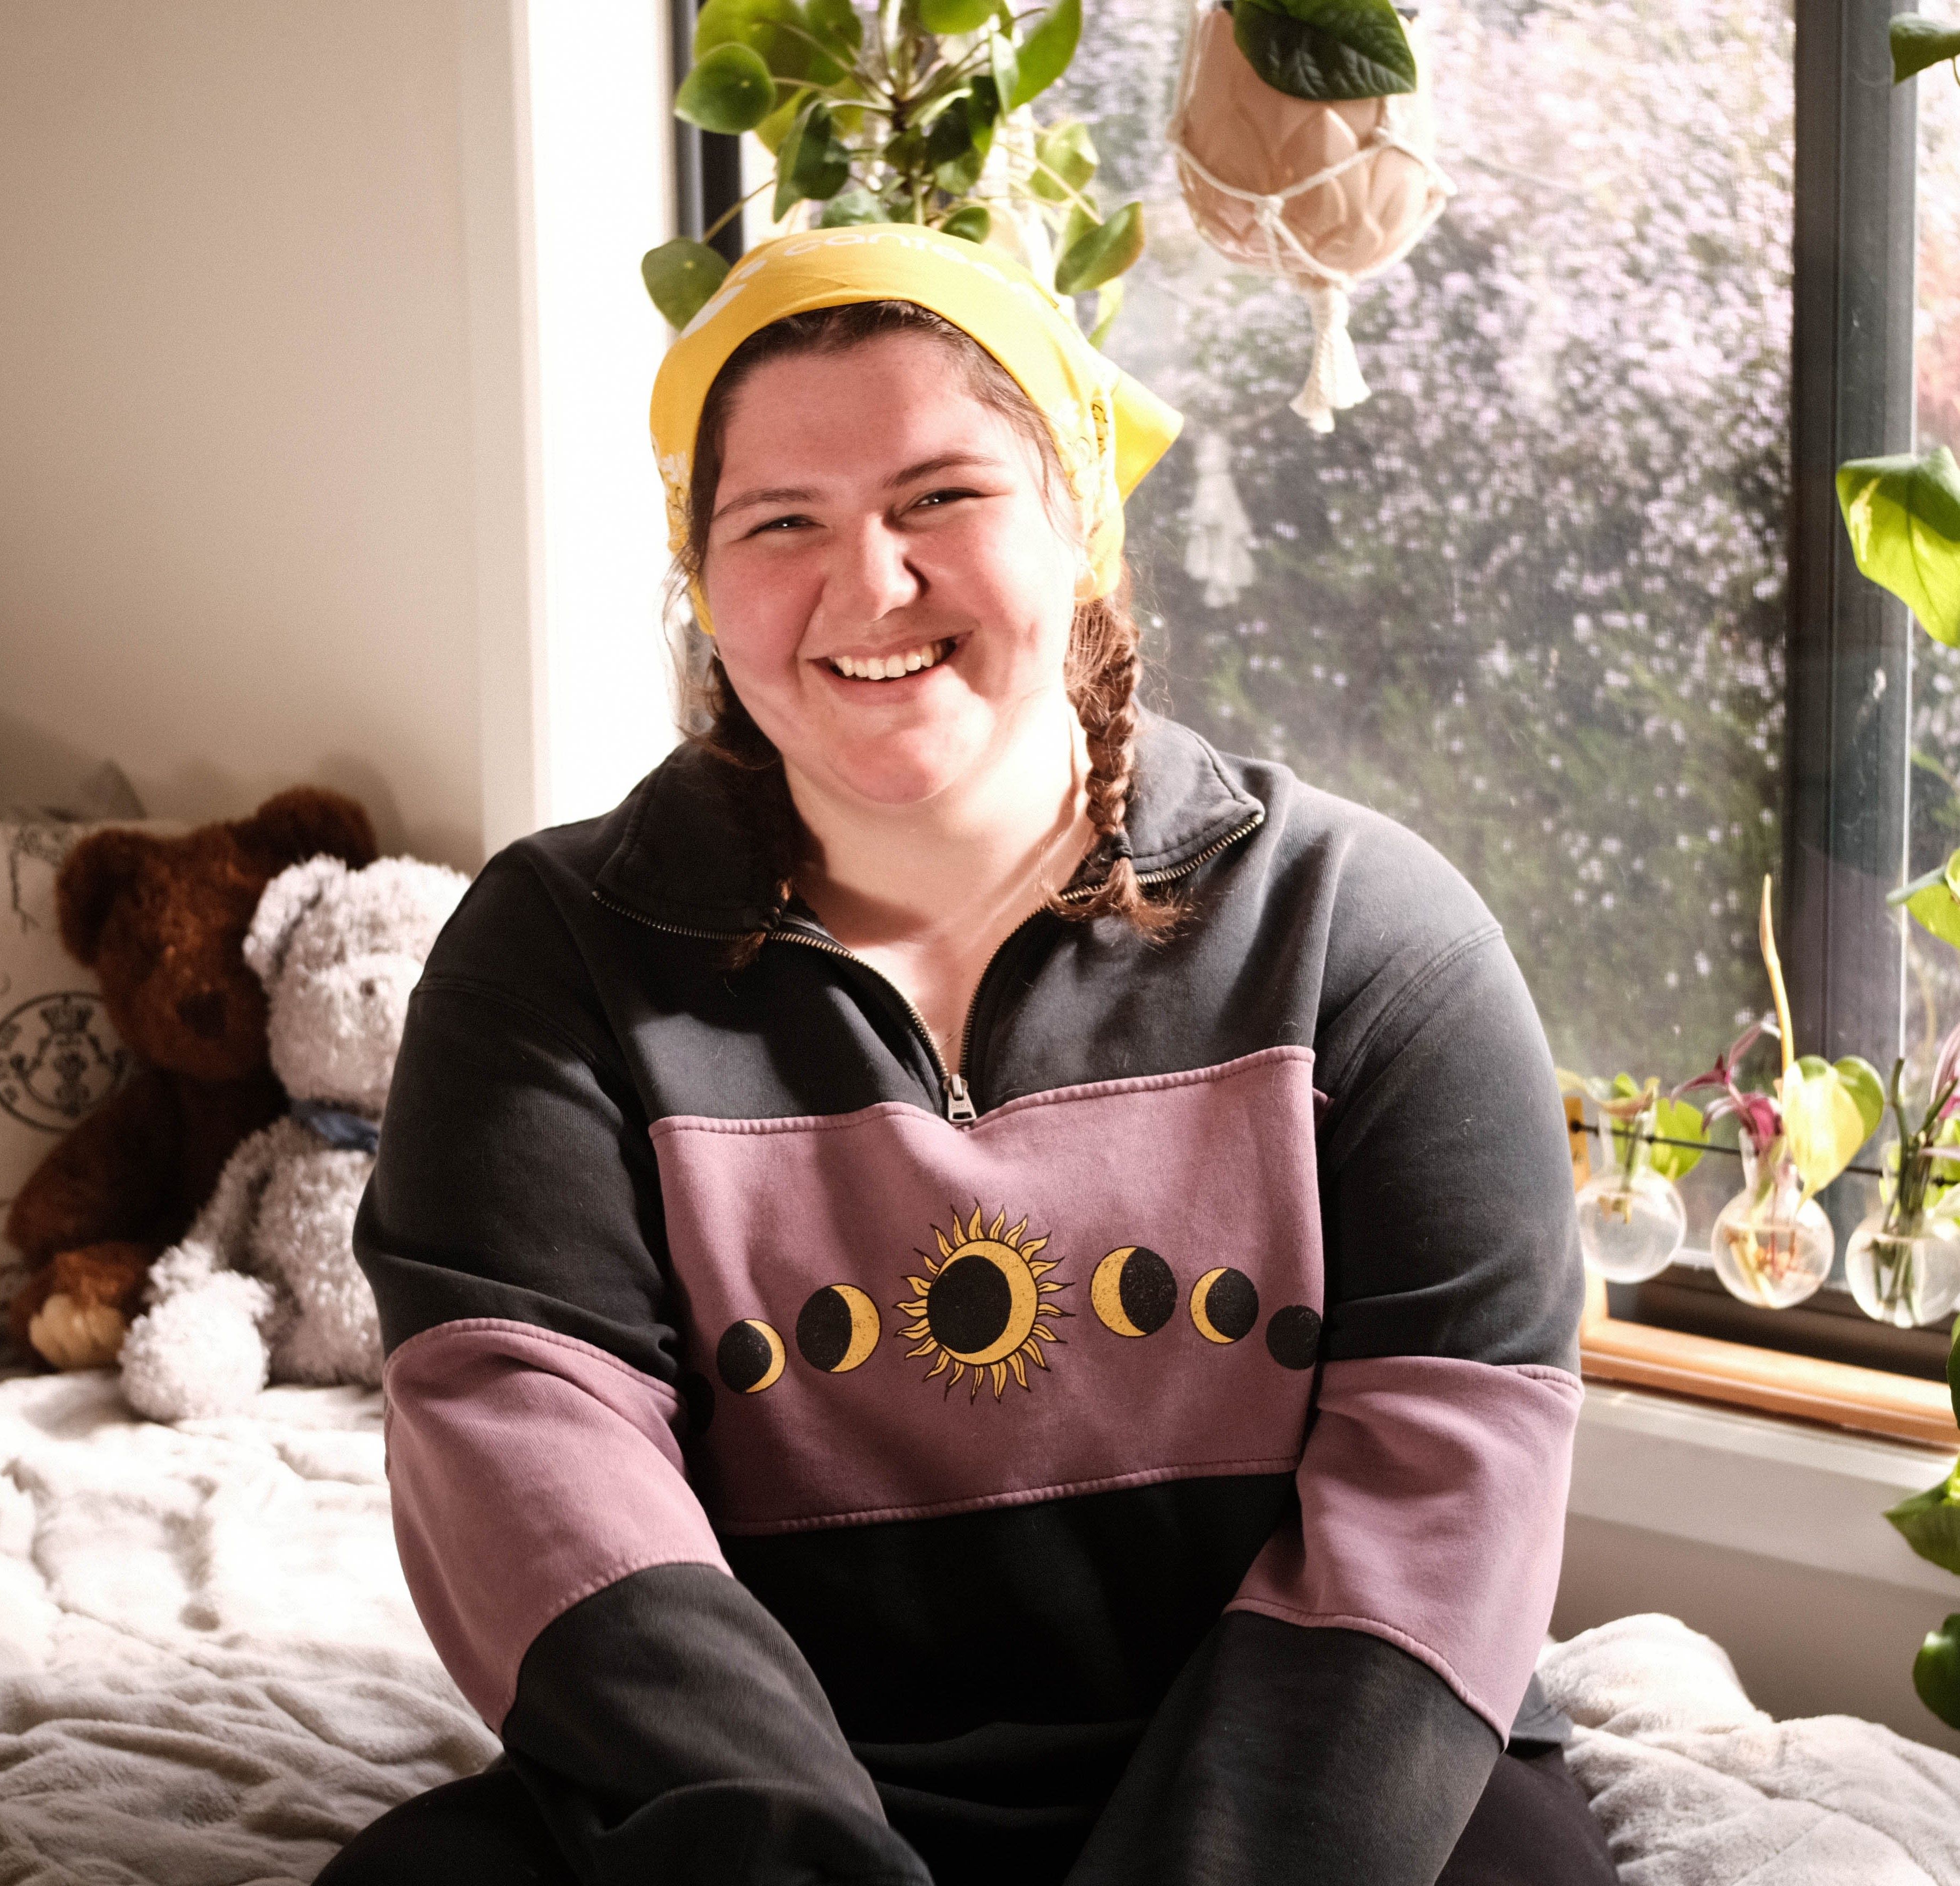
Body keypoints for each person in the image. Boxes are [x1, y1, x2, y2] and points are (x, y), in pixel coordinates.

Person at [318, 226, 1616, 1886]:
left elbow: (1453, 1463)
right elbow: (525, 1437)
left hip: (1318, 1775)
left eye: (941, 497)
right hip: (774, 1787)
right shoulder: (551, 954)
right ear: (705, 589)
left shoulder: (1368, 938)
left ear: (1077, 524)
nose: (867, 584)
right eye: (778, 522)